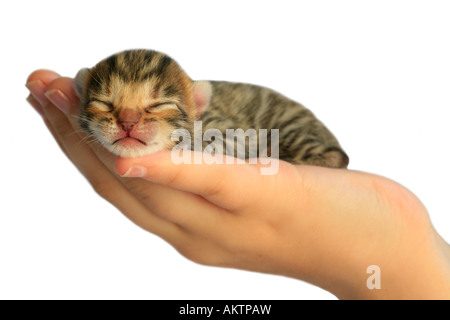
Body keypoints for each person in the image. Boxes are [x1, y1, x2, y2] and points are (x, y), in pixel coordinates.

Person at [25, 69, 450, 299]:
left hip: (286, 133)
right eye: (104, 104)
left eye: (156, 106)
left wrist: (386, 256)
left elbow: (236, 145)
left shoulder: (207, 125)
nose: (130, 121)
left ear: (196, 108)